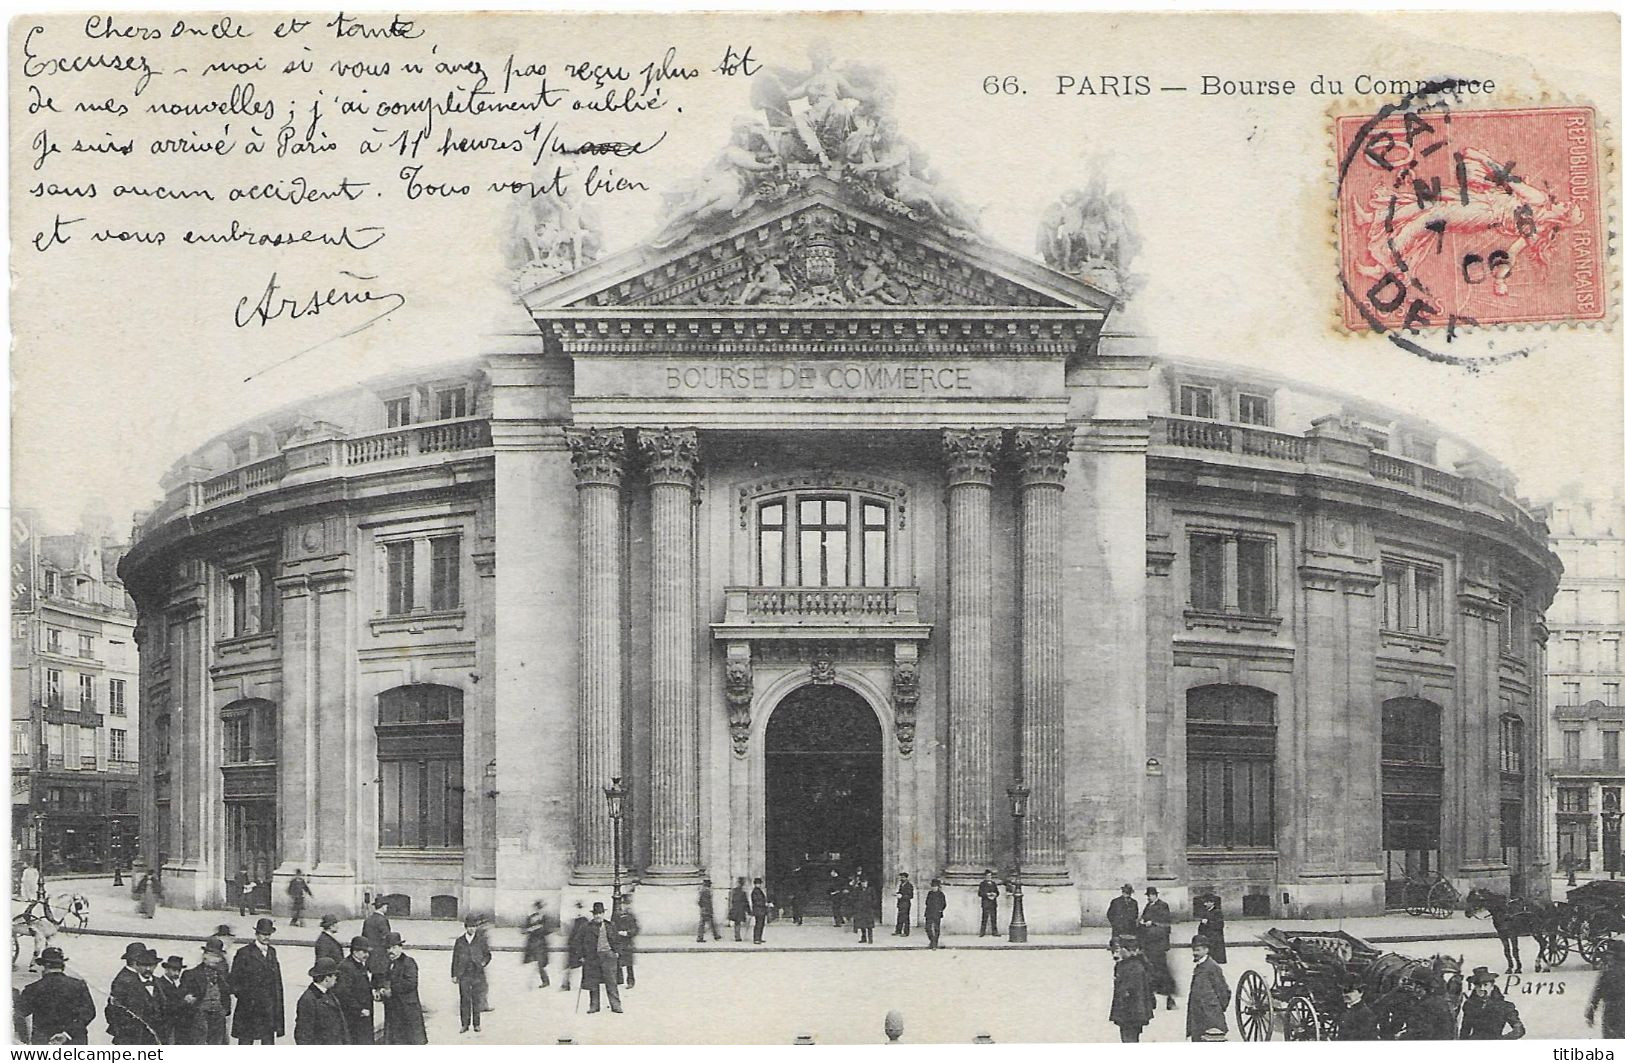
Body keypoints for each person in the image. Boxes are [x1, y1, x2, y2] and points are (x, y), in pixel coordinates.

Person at [17, 945, 95, 1044]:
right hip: (74, 1041)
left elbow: (20, 1012)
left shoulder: (33, 989)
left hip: (45, 1041)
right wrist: (67, 1034)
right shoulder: (79, 985)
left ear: (44, 966)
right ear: (63, 966)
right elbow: (89, 1013)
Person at [228, 917, 285, 1044]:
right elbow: (234, 980)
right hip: (249, 1008)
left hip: (268, 1008)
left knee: (268, 1042)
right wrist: (246, 996)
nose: (266, 937)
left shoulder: (272, 952)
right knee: (246, 1041)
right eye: (263, 934)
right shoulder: (244, 953)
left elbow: (276, 981)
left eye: (269, 934)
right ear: (256, 934)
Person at [568, 901, 623, 1014]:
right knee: (593, 982)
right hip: (592, 958)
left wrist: (616, 953)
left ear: (603, 914)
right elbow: (577, 942)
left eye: (600, 913)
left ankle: (616, 1005)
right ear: (593, 915)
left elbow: (617, 940)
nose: (598, 916)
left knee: (611, 982)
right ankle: (594, 1006)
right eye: (596, 913)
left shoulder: (610, 925)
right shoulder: (586, 927)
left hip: (608, 957)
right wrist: (581, 956)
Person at [178, 937, 233, 1045]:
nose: (215, 959)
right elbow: (181, 994)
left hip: (218, 1017)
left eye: (218, 956)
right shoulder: (191, 974)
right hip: (199, 1017)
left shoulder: (222, 976)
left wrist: (223, 1010)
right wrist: (187, 997)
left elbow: (226, 994)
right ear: (205, 956)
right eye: (212, 955)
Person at [107, 943, 163, 1044]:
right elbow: (113, 1011)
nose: (148, 968)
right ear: (135, 961)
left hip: (153, 1036)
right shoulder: (124, 980)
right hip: (132, 1038)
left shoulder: (155, 981)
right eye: (143, 962)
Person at [379, 932, 426, 1044]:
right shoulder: (388, 963)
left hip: (407, 1010)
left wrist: (392, 990)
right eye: (388, 948)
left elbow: (411, 983)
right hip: (393, 1009)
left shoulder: (408, 962)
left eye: (394, 947)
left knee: (409, 1040)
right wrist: (381, 989)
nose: (391, 951)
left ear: (400, 947)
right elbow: (383, 980)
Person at [1110, 934, 1155, 1043]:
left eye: (1121, 949)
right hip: (1129, 1014)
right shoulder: (1127, 964)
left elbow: (1129, 993)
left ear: (1128, 951)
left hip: (1131, 1015)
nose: (1118, 952)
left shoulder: (1134, 968)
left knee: (1129, 1039)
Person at [1185, 934, 1230, 1042]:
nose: (1194, 953)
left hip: (1210, 1018)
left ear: (1206, 950)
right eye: (1193, 950)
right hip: (1198, 1017)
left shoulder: (1212, 967)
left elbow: (1224, 992)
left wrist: (1216, 1009)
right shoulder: (1200, 966)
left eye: (1198, 950)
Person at [293, 957, 348, 1045]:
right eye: (335, 975)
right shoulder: (308, 1000)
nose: (336, 979)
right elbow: (303, 1035)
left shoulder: (329, 994)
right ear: (327, 978)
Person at [451, 913, 491, 1033]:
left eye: (474, 926)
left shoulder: (481, 940)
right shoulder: (460, 941)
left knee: (476, 999)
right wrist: (454, 974)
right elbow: (455, 958)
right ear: (465, 927)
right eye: (469, 926)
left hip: (477, 973)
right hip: (464, 974)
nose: (472, 929)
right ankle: (465, 1024)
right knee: (465, 999)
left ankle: (477, 1024)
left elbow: (487, 955)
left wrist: (483, 962)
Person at [1459, 967, 1524, 1039]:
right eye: (1478, 986)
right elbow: (1464, 1031)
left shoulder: (1504, 1006)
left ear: (1492, 986)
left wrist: (1502, 1040)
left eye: (1485, 985)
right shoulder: (1469, 1005)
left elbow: (1519, 1030)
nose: (1482, 988)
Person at [334, 936, 375, 1046]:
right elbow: (343, 993)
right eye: (364, 951)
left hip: (364, 1014)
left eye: (368, 952)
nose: (367, 955)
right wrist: (359, 1009)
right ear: (355, 951)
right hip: (354, 1016)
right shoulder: (346, 967)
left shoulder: (359, 964)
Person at [1140, 887, 1177, 1010]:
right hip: (1149, 944)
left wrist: (1153, 923)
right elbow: (1144, 918)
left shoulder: (1163, 906)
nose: (1149, 897)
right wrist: (1142, 922)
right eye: (1148, 895)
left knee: (1162, 971)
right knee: (1150, 971)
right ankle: (1152, 999)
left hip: (1159, 944)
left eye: (1151, 895)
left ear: (1156, 895)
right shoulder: (1148, 906)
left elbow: (1166, 922)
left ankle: (1169, 999)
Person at [1403, 974, 1459, 1040]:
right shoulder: (1436, 1000)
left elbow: (1422, 1032)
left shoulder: (1425, 1006)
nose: (1410, 988)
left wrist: (1402, 1037)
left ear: (1419, 987)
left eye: (1412, 985)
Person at [1591, 939, 1625, 1037]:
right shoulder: (1608, 970)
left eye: (1610, 955)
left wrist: (1592, 1007)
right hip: (1612, 1010)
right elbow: (1599, 989)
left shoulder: (1608, 971)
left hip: (1614, 1009)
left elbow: (1599, 989)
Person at [1334, 976, 1379, 1041]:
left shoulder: (1366, 1014)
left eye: (1350, 991)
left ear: (1361, 993)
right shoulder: (1344, 1010)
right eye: (1344, 991)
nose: (1345, 995)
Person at [156, 955, 187, 1043]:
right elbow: (168, 1004)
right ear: (166, 969)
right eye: (174, 970)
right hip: (166, 1024)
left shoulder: (175, 984)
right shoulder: (160, 984)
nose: (177, 973)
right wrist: (184, 1001)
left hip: (174, 1024)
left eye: (179, 970)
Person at [524, 900, 554, 987]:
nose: (538, 910)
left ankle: (545, 981)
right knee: (532, 963)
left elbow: (548, 930)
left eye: (540, 908)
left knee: (540, 963)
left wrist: (540, 928)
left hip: (541, 943)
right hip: (532, 943)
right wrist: (531, 928)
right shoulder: (530, 917)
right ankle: (531, 983)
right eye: (537, 908)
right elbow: (524, 929)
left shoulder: (544, 918)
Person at [361, 898, 392, 982]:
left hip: (371, 955)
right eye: (386, 906)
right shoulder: (382, 920)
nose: (387, 908)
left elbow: (363, 937)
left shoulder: (368, 920)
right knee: (382, 980)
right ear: (383, 907)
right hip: (381, 956)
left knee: (374, 979)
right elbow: (386, 937)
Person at [560, 901, 588, 991]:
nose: (578, 910)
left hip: (581, 947)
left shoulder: (584, 921)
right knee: (570, 966)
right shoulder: (574, 920)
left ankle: (584, 983)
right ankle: (566, 984)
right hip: (573, 947)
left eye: (580, 908)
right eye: (577, 908)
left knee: (584, 965)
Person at [614, 896, 640, 988]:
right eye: (625, 904)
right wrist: (617, 933)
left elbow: (636, 929)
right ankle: (619, 980)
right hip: (619, 942)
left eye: (628, 904)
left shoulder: (632, 916)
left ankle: (630, 981)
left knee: (629, 964)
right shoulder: (617, 915)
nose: (626, 906)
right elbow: (613, 926)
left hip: (628, 942)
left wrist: (628, 933)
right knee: (618, 962)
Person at [1194, 890, 1227, 964]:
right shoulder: (1206, 911)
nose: (1205, 904)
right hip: (1207, 937)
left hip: (1215, 938)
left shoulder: (1217, 912)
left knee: (1215, 958)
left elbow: (1220, 925)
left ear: (1212, 903)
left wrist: (1208, 922)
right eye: (1204, 902)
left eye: (1207, 902)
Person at [924, 878, 947, 949]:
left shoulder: (941, 894)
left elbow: (944, 904)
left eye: (935, 886)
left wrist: (940, 910)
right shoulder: (930, 893)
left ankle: (934, 943)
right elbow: (926, 902)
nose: (933, 888)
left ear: (938, 887)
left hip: (937, 913)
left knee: (936, 929)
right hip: (929, 913)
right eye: (932, 886)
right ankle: (932, 940)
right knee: (927, 928)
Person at [977, 870, 1001, 936]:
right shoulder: (982, 884)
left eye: (990, 876)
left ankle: (995, 932)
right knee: (984, 918)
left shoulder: (993, 884)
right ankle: (982, 932)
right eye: (987, 876)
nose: (989, 877)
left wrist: (994, 894)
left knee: (994, 918)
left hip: (993, 903)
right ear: (985, 876)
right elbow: (980, 893)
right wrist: (987, 894)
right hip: (986, 903)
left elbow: (998, 892)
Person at [853, 877, 877, 943]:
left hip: (869, 909)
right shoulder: (858, 890)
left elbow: (875, 899)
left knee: (869, 926)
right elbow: (854, 898)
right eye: (862, 883)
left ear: (867, 883)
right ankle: (863, 938)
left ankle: (870, 939)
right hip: (861, 909)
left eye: (865, 882)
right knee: (862, 925)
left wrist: (872, 905)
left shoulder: (871, 889)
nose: (864, 884)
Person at [729, 877, 751, 942]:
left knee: (737, 923)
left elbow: (731, 901)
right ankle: (738, 936)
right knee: (738, 923)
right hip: (740, 909)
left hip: (735, 909)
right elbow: (746, 902)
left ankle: (737, 935)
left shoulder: (734, 891)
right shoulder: (743, 892)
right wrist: (749, 911)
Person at [894, 872, 914, 936]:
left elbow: (910, 896)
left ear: (906, 878)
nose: (901, 878)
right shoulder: (901, 885)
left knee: (905, 918)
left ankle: (906, 932)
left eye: (902, 877)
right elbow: (901, 892)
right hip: (900, 903)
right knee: (899, 917)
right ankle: (898, 931)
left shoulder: (909, 885)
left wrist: (902, 896)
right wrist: (897, 894)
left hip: (906, 904)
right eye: (901, 877)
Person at [751, 877, 769, 944]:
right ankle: (756, 939)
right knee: (758, 925)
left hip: (761, 910)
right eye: (758, 883)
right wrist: (765, 904)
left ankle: (759, 938)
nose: (759, 885)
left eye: (759, 883)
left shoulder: (759, 891)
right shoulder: (755, 892)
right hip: (758, 910)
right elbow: (756, 901)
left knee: (761, 924)